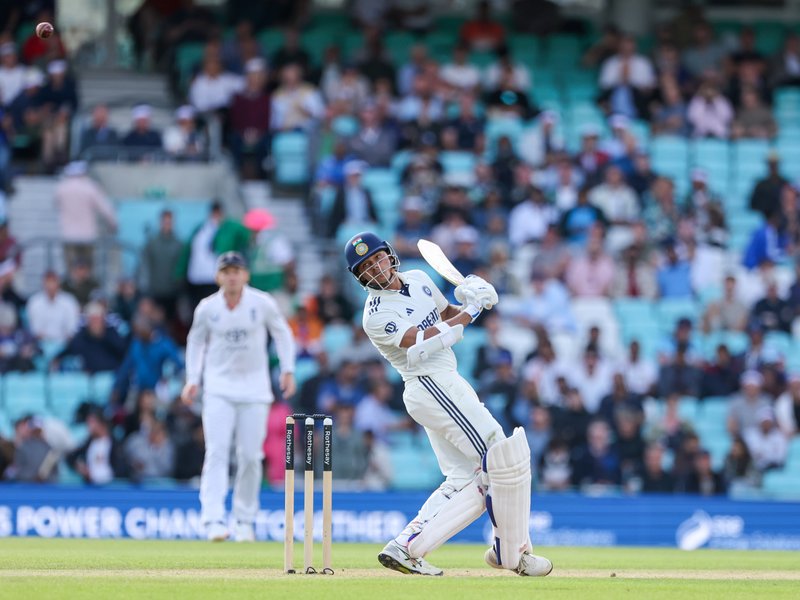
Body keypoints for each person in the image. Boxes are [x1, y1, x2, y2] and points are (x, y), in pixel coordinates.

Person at [344, 231, 552, 577]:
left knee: (462, 477)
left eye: (378, 257)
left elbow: (448, 315)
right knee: (499, 455)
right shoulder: (375, 315)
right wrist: (471, 311)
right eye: (367, 266)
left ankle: (407, 547)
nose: (376, 267)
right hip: (428, 383)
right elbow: (424, 339)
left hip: (446, 380)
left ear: (389, 255)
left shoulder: (420, 279)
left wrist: (473, 296)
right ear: (360, 277)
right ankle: (514, 553)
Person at [181, 251, 296, 543]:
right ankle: (213, 520)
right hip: (218, 388)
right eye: (226, 271)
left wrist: (288, 369)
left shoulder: (262, 303)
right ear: (219, 276)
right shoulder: (207, 308)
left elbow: (282, 333)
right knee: (217, 453)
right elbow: (195, 341)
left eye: (237, 271)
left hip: (255, 390)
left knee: (250, 457)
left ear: (245, 275)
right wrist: (192, 378)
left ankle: (244, 521)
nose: (232, 276)